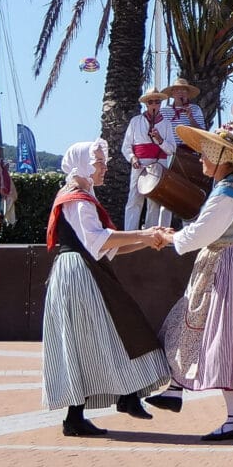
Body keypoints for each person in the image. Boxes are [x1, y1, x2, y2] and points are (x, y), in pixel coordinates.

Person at [144, 125, 233, 440]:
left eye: (206, 153)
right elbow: (206, 229)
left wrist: (171, 237)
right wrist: (178, 236)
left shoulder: (228, 194)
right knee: (186, 325)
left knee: (222, 341)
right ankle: (176, 389)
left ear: (219, 157)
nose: (201, 158)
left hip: (227, 269)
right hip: (229, 266)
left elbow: (203, 233)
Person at [42, 139, 173, 437]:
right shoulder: (76, 199)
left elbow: (107, 246)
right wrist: (146, 233)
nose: (104, 167)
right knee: (91, 338)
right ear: (83, 165)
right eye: (99, 162)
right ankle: (97, 407)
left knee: (99, 335)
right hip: (78, 271)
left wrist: (147, 240)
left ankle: (120, 397)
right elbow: (98, 240)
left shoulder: (81, 197)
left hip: (86, 269)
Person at [121, 89, 176, 230]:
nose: (154, 105)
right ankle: (130, 233)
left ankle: (150, 233)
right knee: (134, 198)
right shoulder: (135, 121)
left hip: (159, 164)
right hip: (139, 164)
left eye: (157, 102)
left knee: (154, 201)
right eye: (151, 102)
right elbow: (126, 146)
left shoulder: (167, 124)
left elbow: (171, 149)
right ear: (146, 104)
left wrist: (159, 140)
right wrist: (132, 158)